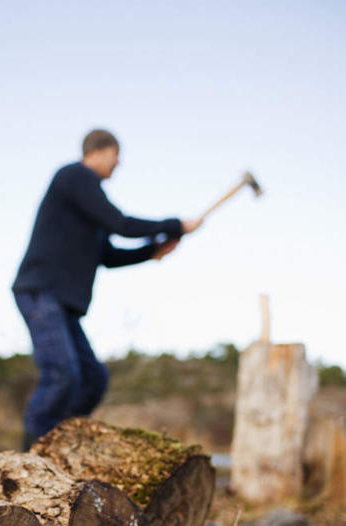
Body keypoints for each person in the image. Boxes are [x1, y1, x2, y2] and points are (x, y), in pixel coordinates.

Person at [13, 128, 203, 449]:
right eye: (117, 156)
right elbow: (122, 223)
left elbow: (108, 255)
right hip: (40, 291)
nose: (118, 164)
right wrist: (176, 225)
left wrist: (151, 251)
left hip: (63, 303)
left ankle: (60, 442)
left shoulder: (87, 207)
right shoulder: (74, 177)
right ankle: (29, 454)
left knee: (93, 379)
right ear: (99, 151)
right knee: (61, 374)